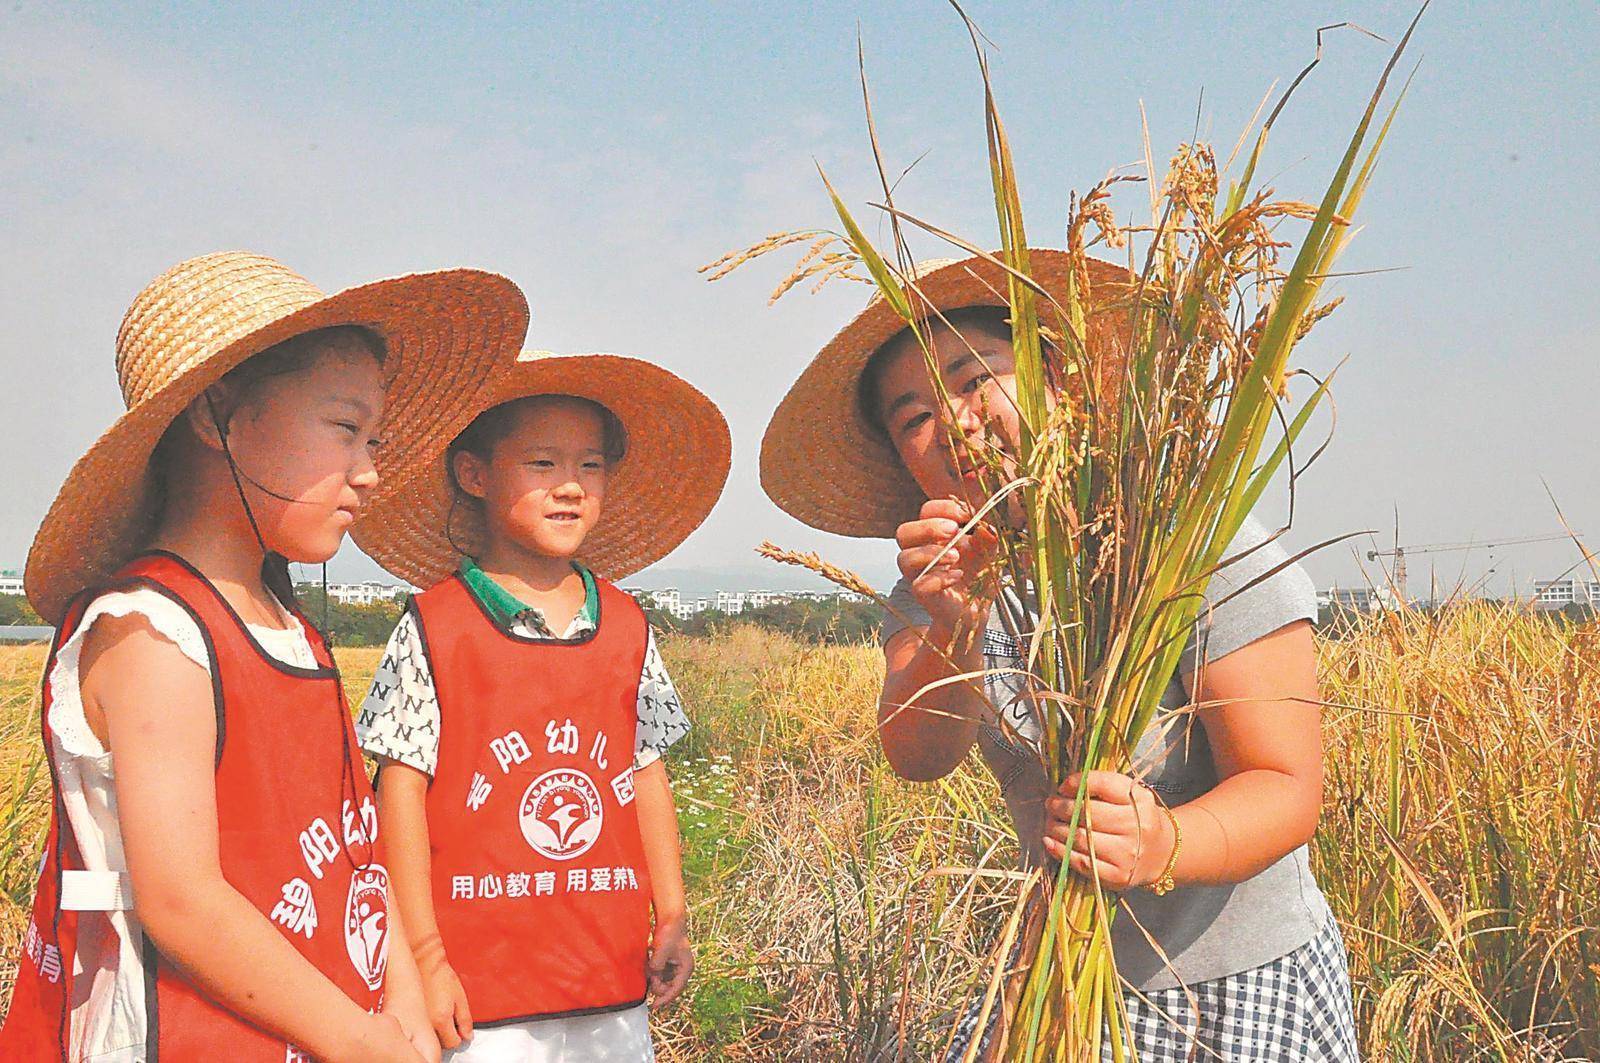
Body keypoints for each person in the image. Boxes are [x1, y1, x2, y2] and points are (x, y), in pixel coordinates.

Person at [759, 252, 1359, 1061]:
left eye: (976, 380)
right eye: (914, 417)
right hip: (1055, 975)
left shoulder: (1188, 542)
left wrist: (1165, 842)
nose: (956, 423)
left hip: (1232, 986)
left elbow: (1285, 785)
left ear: (1057, 382)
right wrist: (956, 624)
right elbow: (918, 756)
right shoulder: (934, 583)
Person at [0, 251, 528, 1061]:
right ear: (218, 414)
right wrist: (363, 1040)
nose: (369, 471)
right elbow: (183, 903)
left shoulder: (290, 629)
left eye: (375, 439)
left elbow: (354, 846)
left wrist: (404, 995)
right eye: (345, 430)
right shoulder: (152, 633)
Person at [351, 350, 731, 1062]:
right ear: (474, 475)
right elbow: (398, 792)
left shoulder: (627, 624)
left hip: (608, 981)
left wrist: (673, 914)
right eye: (541, 464)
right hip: (481, 999)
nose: (571, 487)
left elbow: (646, 773)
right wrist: (425, 958)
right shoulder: (436, 626)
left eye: (590, 465)